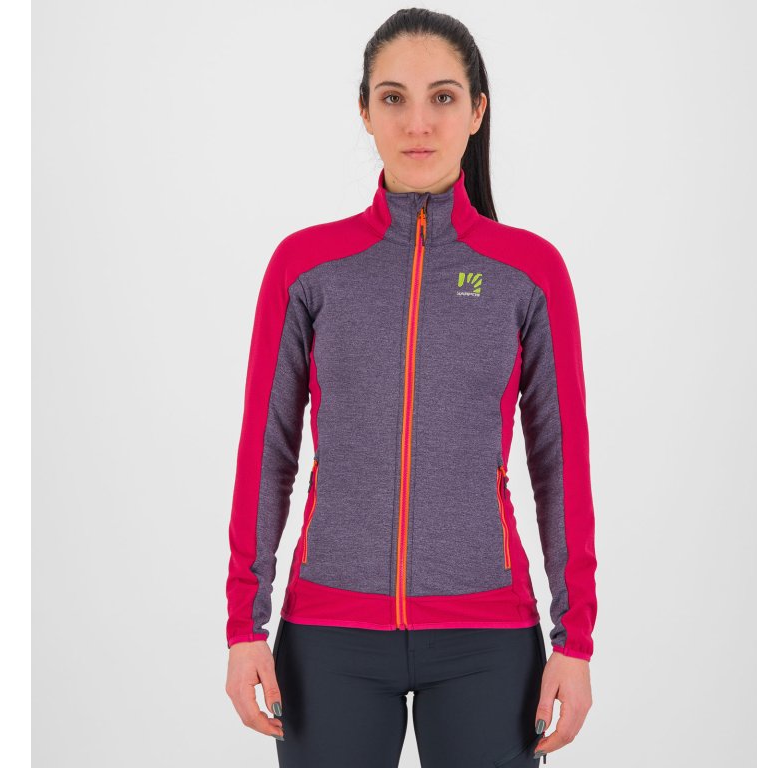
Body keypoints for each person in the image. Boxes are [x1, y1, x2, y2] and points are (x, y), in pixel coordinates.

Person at [224, 9, 597, 767]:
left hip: (489, 640)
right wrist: (243, 627)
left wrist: (576, 640)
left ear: (477, 111)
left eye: (443, 97)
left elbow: (560, 465)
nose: (418, 123)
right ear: (364, 111)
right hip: (328, 637)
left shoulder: (528, 273)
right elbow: (267, 453)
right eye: (393, 98)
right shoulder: (307, 268)